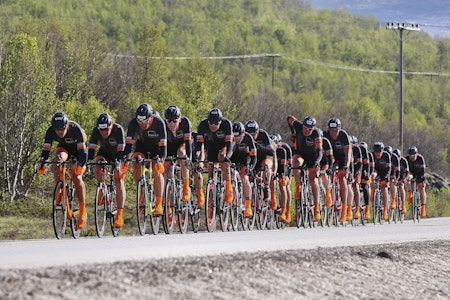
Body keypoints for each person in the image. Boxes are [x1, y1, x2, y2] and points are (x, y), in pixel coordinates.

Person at [38, 112, 89, 229]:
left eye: (62, 129)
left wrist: (80, 165)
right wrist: (42, 164)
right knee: (57, 160)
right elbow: (46, 150)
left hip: (79, 151)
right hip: (64, 149)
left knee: (77, 176)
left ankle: (82, 210)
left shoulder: (76, 130)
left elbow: (84, 154)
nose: (60, 132)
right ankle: (60, 187)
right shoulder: (51, 131)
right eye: (57, 130)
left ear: (67, 125)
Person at [124, 103, 167, 216]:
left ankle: (158, 204)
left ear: (151, 117)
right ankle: (141, 193)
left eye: (145, 122)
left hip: (156, 149)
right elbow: (129, 145)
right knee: (136, 162)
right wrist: (126, 158)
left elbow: (163, 145)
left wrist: (161, 159)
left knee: (157, 170)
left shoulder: (159, 122)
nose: (142, 125)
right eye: (140, 122)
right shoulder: (133, 123)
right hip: (141, 147)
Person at [88, 113, 128, 228]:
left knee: (118, 179)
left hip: (119, 155)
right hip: (104, 153)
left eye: (106, 129)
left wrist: (118, 163)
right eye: (101, 129)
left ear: (111, 126)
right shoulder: (96, 131)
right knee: (97, 166)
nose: (104, 132)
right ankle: (103, 188)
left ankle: (120, 214)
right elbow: (92, 148)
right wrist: (89, 162)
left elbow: (122, 150)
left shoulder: (118, 129)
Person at [287, 115, 323, 221]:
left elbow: (319, 151)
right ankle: (298, 187)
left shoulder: (317, 134)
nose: (307, 131)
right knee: (295, 162)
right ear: (302, 126)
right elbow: (289, 118)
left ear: (313, 128)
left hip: (313, 157)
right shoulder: (298, 126)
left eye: (309, 129)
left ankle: (316, 209)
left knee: (313, 180)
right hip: (301, 154)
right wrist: (293, 132)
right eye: (305, 128)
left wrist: (316, 163)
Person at [196, 108, 234, 203]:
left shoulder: (227, 124)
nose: (213, 126)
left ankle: (229, 188)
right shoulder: (203, 125)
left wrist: (227, 158)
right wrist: (197, 158)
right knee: (210, 168)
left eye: (216, 124)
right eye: (211, 123)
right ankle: (211, 200)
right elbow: (199, 145)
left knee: (222, 157)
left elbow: (229, 145)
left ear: (220, 122)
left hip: (224, 146)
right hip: (211, 147)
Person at [323, 118, 352, 223]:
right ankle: (328, 195)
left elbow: (348, 153)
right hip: (332, 156)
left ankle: (344, 210)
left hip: (343, 157)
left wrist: (346, 166)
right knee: (326, 172)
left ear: (339, 129)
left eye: (335, 130)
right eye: (331, 130)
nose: (333, 132)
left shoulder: (344, 136)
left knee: (342, 178)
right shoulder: (325, 135)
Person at [245, 120, 278, 210]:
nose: (252, 136)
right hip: (252, 158)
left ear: (258, 131)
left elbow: (272, 152)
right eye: (249, 134)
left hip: (264, 157)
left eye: (254, 134)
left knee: (266, 165)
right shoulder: (245, 137)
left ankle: (266, 187)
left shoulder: (263, 135)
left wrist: (261, 147)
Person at [163, 106, 193, 202]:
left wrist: (189, 158)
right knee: (165, 174)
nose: (171, 124)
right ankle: (167, 205)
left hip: (182, 144)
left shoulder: (185, 123)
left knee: (181, 153)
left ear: (179, 119)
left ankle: (185, 187)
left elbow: (188, 143)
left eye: (174, 121)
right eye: (169, 121)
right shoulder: (162, 125)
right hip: (169, 147)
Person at [230, 122, 257, 217]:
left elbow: (254, 156)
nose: (237, 140)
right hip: (233, 158)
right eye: (235, 137)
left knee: (244, 178)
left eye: (239, 138)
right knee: (230, 175)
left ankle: (248, 206)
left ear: (243, 134)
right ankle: (233, 197)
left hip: (245, 159)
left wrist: (251, 168)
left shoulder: (248, 138)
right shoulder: (230, 138)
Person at [270, 133, 293, 224]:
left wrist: (284, 177)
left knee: (284, 187)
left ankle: (286, 211)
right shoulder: (270, 149)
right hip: (275, 167)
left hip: (285, 168)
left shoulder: (284, 149)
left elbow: (288, 166)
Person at [370, 142, 391, 221]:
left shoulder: (386, 156)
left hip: (385, 172)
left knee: (384, 188)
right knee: (371, 176)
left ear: (382, 150)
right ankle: (372, 193)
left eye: (379, 151)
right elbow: (370, 168)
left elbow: (389, 169)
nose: (377, 153)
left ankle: (385, 210)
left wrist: (386, 177)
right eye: (376, 151)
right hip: (376, 171)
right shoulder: (371, 155)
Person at [405, 146, 427, 218]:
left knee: (421, 188)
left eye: (413, 155)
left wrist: (422, 179)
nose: (412, 157)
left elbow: (423, 171)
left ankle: (423, 207)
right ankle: (410, 193)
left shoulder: (420, 158)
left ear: (417, 154)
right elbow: (405, 170)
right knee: (407, 180)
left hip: (420, 173)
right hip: (411, 173)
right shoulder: (407, 159)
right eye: (410, 155)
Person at [359, 141, 374, 220]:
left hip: (366, 173)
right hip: (358, 172)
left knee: (365, 187)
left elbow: (370, 168)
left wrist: (367, 175)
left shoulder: (369, 155)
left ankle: (367, 209)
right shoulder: (356, 152)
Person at [393, 148, 410, 214]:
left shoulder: (404, 161)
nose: (397, 158)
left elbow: (407, 171)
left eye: (398, 157)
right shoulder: (392, 160)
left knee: (401, 186)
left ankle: (403, 205)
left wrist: (404, 178)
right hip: (395, 175)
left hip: (402, 175)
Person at [320, 136, 334, 209]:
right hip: (314, 162)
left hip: (325, 162)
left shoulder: (325, 142)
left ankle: (328, 193)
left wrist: (330, 168)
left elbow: (330, 157)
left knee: (323, 174)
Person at [384, 145, 399, 213]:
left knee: (392, 182)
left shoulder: (395, 158)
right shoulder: (383, 156)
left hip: (393, 172)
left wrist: (397, 179)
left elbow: (397, 170)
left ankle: (393, 199)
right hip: (384, 171)